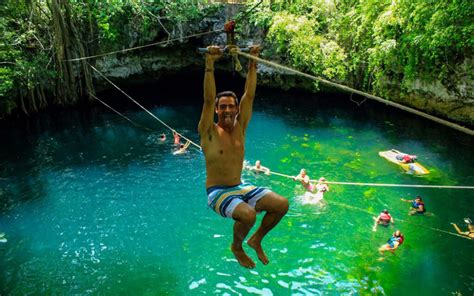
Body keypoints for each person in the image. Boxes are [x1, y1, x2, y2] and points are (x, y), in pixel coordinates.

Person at [198, 45, 289, 269]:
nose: (227, 110)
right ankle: (237, 247)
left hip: (241, 186)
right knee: (248, 215)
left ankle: (256, 239)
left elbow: (250, 95)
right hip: (217, 192)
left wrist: (253, 60)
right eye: (223, 107)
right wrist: (210, 63)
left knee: (281, 204)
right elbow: (208, 99)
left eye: (231, 106)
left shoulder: (241, 127)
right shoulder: (208, 131)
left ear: (236, 108)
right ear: (217, 111)